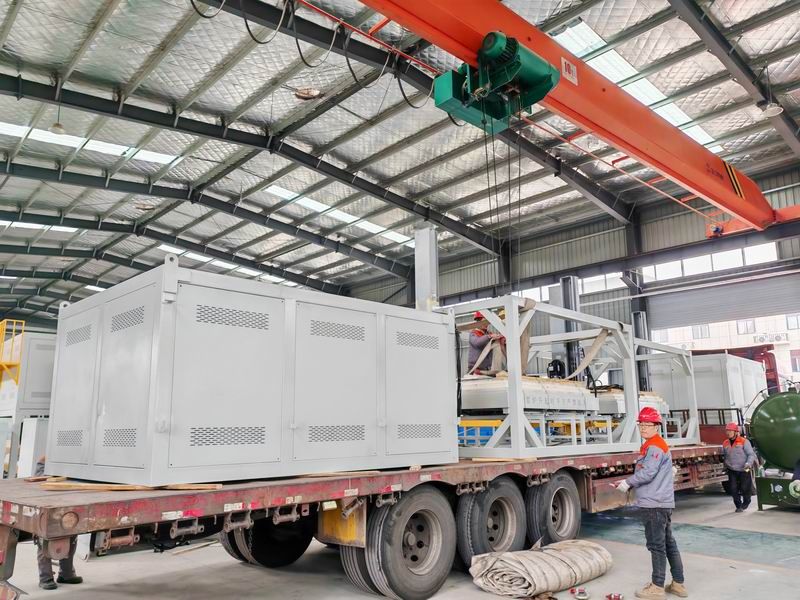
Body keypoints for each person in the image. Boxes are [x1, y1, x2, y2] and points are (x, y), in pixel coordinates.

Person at [615, 407, 687, 599]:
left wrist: (627, 483)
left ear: (657, 426)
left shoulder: (654, 446)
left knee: (657, 546)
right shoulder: (654, 445)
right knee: (668, 543)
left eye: (647, 424)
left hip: (654, 504)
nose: (643, 428)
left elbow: (648, 473)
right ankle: (678, 583)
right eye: (641, 424)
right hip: (661, 502)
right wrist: (628, 482)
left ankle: (657, 586)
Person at [34, 456, 82, 590]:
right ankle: (45, 578)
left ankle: (66, 574)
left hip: (67, 493)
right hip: (48, 495)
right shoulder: (46, 460)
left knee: (71, 535)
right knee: (45, 538)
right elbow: (41, 482)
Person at [722, 422, 757, 513]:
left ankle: (746, 502)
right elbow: (725, 456)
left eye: (730, 431)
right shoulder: (725, 443)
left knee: (745, 488)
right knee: (733, 489)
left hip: (744, 469)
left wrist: (748, 463)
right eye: (727, 431)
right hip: (731, 469)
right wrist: (725, 465)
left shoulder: (744, 441)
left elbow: (751, 454)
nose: (728, 433)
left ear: (735, 432)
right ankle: (738, 505)